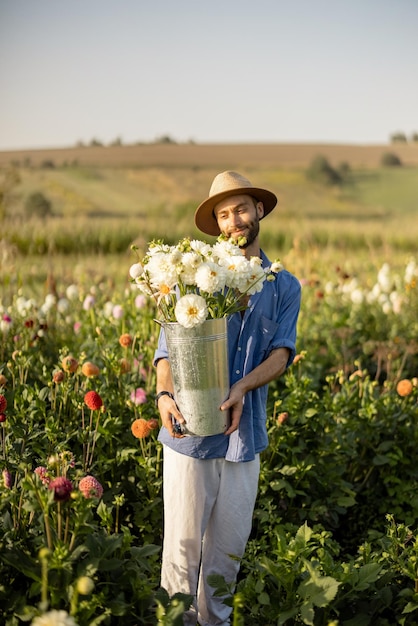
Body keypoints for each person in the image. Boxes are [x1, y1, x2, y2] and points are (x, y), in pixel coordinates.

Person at [154, 171, 301, 626]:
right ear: (216, 223)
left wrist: (241, 387)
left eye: (240, 209)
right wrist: (163, 393)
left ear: (259, 211)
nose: (233, 221)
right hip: (190, 433)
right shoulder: (195, 277)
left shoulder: (284, 284)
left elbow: (281, 354)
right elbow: (166, 347)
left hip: (245, 436)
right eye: (223, 214)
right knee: (179, 560)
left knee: (225, 563)